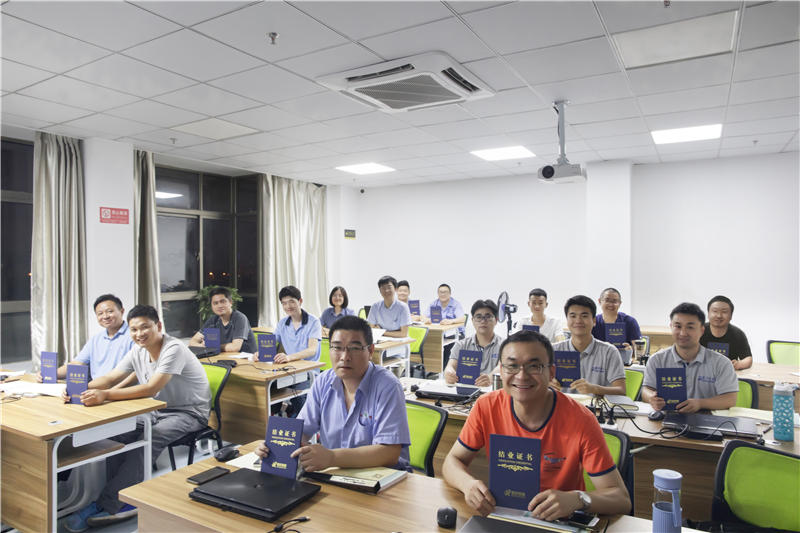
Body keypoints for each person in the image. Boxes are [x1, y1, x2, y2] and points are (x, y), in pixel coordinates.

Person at [442, 330, 631, 520]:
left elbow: (621, 499)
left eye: (534, 366)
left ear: (551, 372)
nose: (521, 376)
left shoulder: (581, 420)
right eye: (512, 366)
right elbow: (452, 461)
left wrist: (578, 499)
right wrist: (467, 484)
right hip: (503, 515)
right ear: (501, 370)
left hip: (559, 522)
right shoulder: (486, 406)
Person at [63, 305, 210, 532]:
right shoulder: (138, 350)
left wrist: (105, 395)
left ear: (158, 326)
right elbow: (110, 378)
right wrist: (77, 389)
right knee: (115, 432)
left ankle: (109, 504)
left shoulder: (174, 348)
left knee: (151, 438)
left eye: (144, 327)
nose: (139, 334)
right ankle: (122, 496)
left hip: (189, 412)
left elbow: (151, 388)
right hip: (157, 410)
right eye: (133, 329)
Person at [256, 316, 410, 471]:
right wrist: (274, 445)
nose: (345, 357)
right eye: (337, 348)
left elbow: (389, 453)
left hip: (383, 475)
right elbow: (300, 431)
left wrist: (332, 457)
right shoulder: (323, 381)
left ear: (370, 351)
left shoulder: (387, 386)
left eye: (354, 348)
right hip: (335, 472)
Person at [642, 302, 739, 413]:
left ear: (702, 330)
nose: (683, 333)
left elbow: (730, 399)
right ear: (671, 327)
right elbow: (646, 389)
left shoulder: (721, 363)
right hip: (666, 418)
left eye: (690, 327)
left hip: (707, 419)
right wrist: (651, 398)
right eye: (678, 326)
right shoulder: (657, 359)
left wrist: (700, 403)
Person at [38, 294, 134, 383]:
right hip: (96, 388)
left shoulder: (134, 336)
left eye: (110, 311)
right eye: (100, 313)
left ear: (122, 311)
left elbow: (135, 374)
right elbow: (77, 364)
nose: (105, 316)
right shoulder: (96, 339)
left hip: (121, 390)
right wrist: (49, 374)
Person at [261, 285, 322, 415]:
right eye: (284, 303)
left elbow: (312, 350)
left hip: (308, 372)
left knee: (299, 399)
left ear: (300, 301)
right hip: (288, 371)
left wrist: (289, 357)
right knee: (267, 392)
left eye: (291, 302)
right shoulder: (282, 323)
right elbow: (271, 342)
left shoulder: (313, 322)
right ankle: (283, 412)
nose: (288, 306)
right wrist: (259, 353)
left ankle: (300, 419)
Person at [551, 295, 626, 397]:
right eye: (573, 316)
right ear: (567, 320)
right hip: (562, 405)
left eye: (584, 316)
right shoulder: (553, 350)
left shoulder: (609, 351)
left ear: (594, 321)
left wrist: (594, 389)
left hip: (596, 406)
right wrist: (548, 385)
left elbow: (621, 390)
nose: (578, 321)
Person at [444, 300, 502, 387]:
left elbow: (501, 367)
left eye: (488, 316)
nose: (483, 321)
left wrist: (490, 378)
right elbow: (450, 366)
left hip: (492, 390)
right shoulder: (461, 345)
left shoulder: (504, 345)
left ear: (496, 320)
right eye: (479, 317)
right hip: (465, 391)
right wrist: (449, 373)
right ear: (472, 320)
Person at [189, 287, 256, 353]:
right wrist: (203, 346)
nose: (219, 306)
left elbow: (235, 347)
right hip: (224, 357)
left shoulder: (240, 318)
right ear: (211, 306)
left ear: (231, 302)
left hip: (246, 358)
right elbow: (192, 342)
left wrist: (213, 347)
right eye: (215, 303)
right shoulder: (213, 320)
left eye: (223, 302)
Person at [699, 295, 753, 370]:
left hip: (727, 374)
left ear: (731, 316)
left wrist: (739, 364)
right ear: (708, 314)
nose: (719, 316)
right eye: (715, 311)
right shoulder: (698, 331)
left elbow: (748, 359)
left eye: (724, 312)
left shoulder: (738, 334)